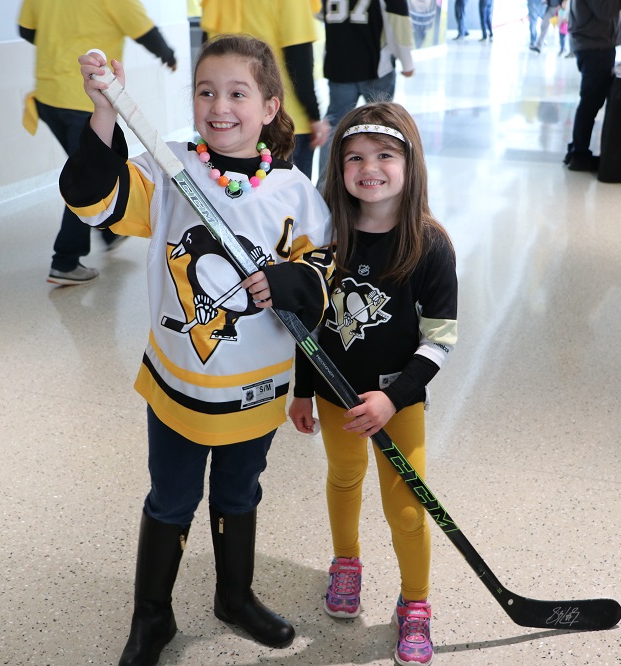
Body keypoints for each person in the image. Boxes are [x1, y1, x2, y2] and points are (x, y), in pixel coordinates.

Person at [66, 35, 334, 665]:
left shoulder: (296, 190)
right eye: (206, 91)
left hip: (256, 388)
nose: (220, 106)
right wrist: (104, 110)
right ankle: (151, 616)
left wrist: (293, 281)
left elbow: (322, 271)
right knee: (171, 498)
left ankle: (233, 597)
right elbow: (91, 201)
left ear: (269, 107)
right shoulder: (169, 166)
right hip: (179, 382)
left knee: (240, 494)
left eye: (238, 93)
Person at [288, 102, 458, 666]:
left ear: (410, 165)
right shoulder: (324, 237)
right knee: (343, 476)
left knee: (408, 508)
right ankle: (346, 561)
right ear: (337, 167)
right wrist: (304, 389)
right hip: (337, 396)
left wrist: (394, 396)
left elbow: (440, 340)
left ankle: (415, 604)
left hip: (397, 399)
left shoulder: (430, 245)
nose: (370, 167)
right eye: (355, 157)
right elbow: (308, 321)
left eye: (385, 155)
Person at [18, 0, 177, 286]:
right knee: (88, 174)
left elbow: (26, 31)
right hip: (84, 97)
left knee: (90, 169)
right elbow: (145, 31)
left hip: (48, 95)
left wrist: (62, 38)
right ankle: (65, 260)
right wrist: (168, 54)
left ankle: (109, 229)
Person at [201, 0, 331, 179]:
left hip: (227, 123)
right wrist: (314, 115)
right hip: (285, 121)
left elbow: (207, 54)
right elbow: (299, 60)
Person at [315, 0, 416, 190]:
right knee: (380, 128)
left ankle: (324, 189)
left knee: (335, 126)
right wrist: (407, 62)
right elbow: (400, 22)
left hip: (340, 67)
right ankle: (379, 183)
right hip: (376, 68)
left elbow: (318, 13)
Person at [563, 0, 621, 172]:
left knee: (591, 101)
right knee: (590, 102)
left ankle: (578, 148)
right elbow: (605, 11)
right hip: (595, 47)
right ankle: (579, 154)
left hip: (596, 44)